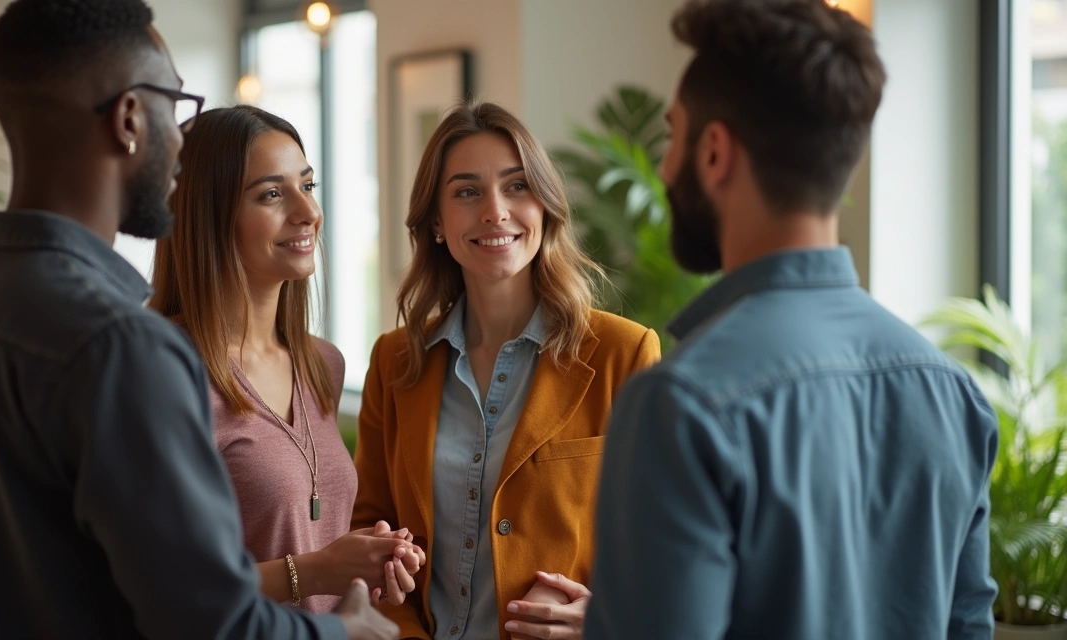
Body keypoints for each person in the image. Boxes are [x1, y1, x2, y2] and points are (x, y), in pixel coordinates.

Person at [0, 1, 396, 639]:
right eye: (174, 107)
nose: (181, 143)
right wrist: (346, 630)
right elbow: (209, 618)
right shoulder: (122, 345)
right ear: (130, 117)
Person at [585, 1, 998, 639]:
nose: (664, 168)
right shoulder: (955, 393)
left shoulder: (680, 405)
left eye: (674, 137)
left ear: (714, 151)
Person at [351, 101, 661, 640]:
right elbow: (367, 530)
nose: (495, 211)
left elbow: (665, 541)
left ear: (545, 207)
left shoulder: (623, 353)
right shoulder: (395, 360)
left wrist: (609, 618)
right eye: (467, 192)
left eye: (517, 186)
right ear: (437, 223)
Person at [150, 105, 425, 612]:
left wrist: (368, 558)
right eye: (272, 194)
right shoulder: (162, 367)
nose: (308, 212)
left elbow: (301, 535)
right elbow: (157, 584)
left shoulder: (323, 364)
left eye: (309, 185)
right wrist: (319, 569)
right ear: (208, 215)